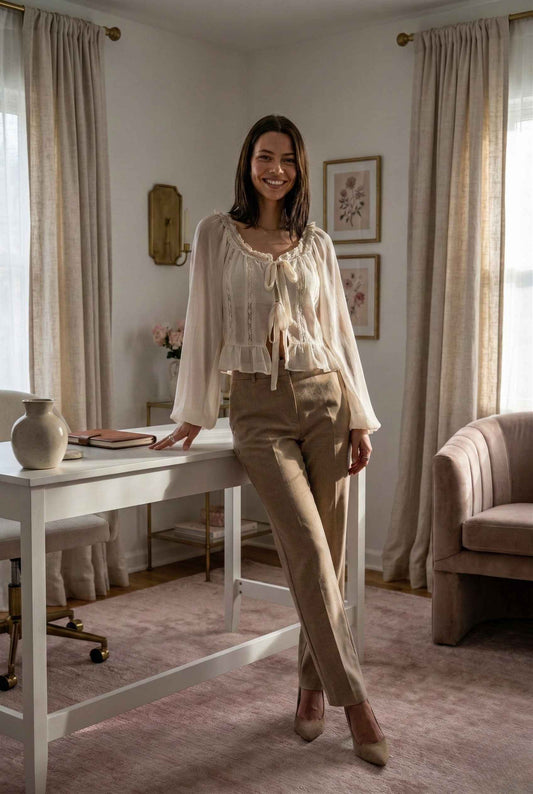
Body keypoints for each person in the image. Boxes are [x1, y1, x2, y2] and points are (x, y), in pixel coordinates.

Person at [149, 115, 389, 766]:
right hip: (257, 409)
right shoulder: (214, 234)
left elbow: (338, 333)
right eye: (264, 156)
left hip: (325, 400)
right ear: (247, 162)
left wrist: (358, 414)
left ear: (298, 168)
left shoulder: (317, 242)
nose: (275, 169)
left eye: (286, 159)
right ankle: (356, 702)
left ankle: (311, 686)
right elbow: (202, 323)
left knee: (329, 559)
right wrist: (194, 412)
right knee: (307, 549)